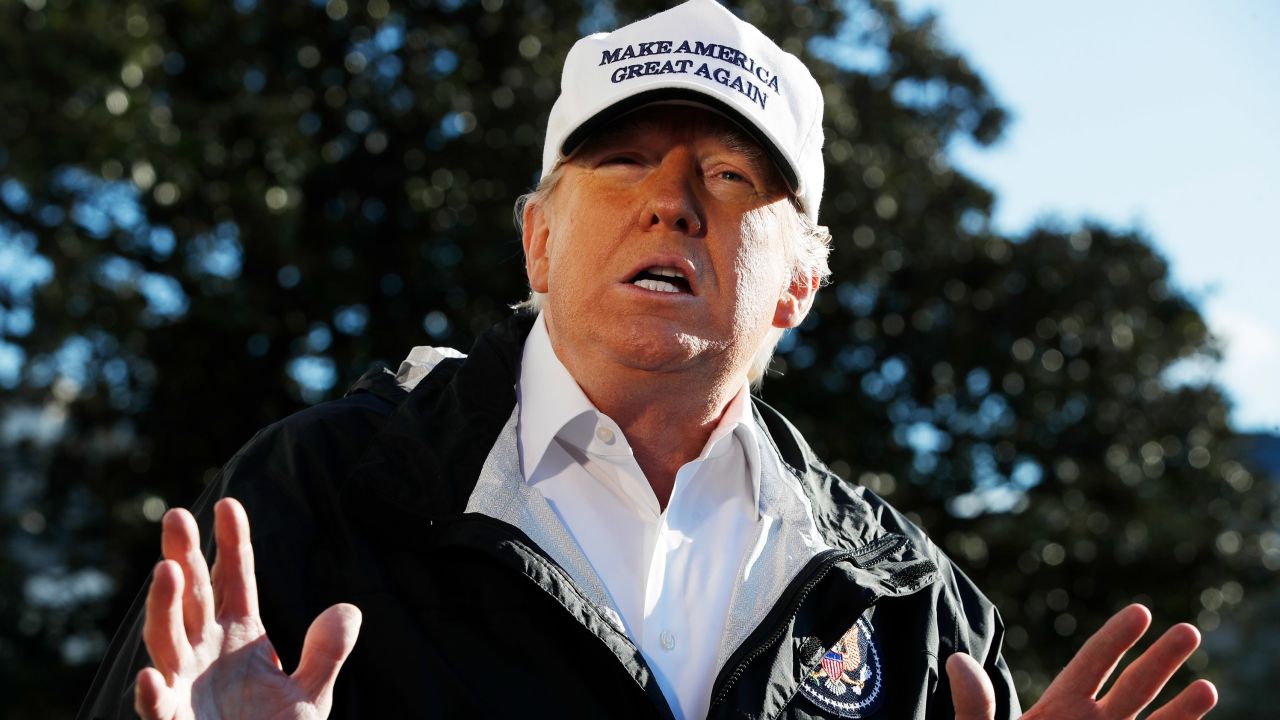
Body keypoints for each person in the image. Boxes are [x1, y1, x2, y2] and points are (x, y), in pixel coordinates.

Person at [79, 1, 1219, 718]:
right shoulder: (311, 495)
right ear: (536, 237)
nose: (669, 201)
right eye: (619, 162)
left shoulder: (912, 606)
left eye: (727, 177)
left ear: (797, 286)